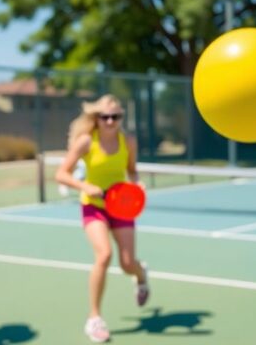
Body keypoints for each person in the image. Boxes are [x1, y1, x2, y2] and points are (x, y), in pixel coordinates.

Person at [55, 94, 149, 343]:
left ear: (121, 117)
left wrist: (137, 184)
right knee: (104, 255)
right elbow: (61, 174)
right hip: (93, 206)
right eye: (104, 117)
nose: (110, 121)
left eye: (115, 117)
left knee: (128, 263)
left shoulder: (128, 141)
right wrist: (84, 186)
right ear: (96, 117)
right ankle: (94, 318)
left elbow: (131, 169)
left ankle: (141, 276)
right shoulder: (86, 141)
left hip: (121, 206)